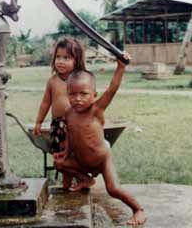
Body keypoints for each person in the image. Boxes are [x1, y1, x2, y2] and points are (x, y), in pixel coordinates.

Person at [55, 55, 147, 226]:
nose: (78, 99)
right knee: (60, 163)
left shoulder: (96, 110)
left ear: (94, 95)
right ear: (67, 94)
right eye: (72, 94)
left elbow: (112, 89)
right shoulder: (69, 113)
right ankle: (86, 179)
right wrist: (66, 152)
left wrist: (120, 67)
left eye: (83, 94)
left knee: (113, 189)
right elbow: (70, 135)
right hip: (83, 161)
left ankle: (138, 209)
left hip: (102, 159)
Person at [33, 38, 91, 190]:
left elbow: (89, 101)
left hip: (75, 125)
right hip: (57, 126)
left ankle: (83, 179)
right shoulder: (52, 81)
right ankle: (67, 187)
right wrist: (38, 122)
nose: (61, 61)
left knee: (72, 158)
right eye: (58, 57)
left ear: (76, 60)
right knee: (60, 159)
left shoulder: (80, 80)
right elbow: (45, 103)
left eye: (66, 58)